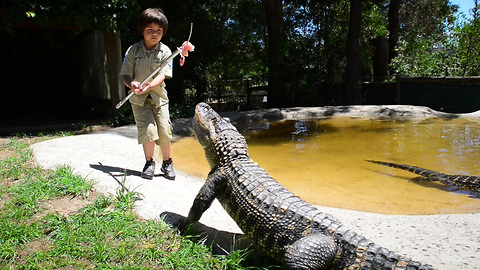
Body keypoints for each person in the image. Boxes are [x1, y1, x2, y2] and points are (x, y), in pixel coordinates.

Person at [119, 8, 175, 180]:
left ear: (163, 32)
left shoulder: (166, 51)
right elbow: (125, 74)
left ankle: (167, 163)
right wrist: (132, 84)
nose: (154, 34)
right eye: (149, 30)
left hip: (159, 98)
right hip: (138, 100)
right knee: (148, 131)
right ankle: (149, 163)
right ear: (142, 30)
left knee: (164, 130)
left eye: (159, 31)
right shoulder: (133, 51)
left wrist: (149, 86)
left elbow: (163, 75)